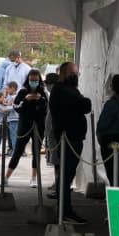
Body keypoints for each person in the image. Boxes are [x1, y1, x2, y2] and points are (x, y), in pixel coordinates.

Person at [49, 62, 91, 224]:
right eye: (74, 73)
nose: (77, 76)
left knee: (68, 174)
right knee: (66, 174)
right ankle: (64, 211)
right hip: (68, 138)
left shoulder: (69, 89)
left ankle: (65, 209)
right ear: (65, 74)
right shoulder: (62, 90)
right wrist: (84, 102)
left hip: (73, 137)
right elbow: (84, 105)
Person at [1, 69, 48, 188]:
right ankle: (6, 177)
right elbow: (16, 107)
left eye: (36, 80)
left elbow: (47, 108)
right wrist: (26, 100)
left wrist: (40, 100)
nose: (34, 82)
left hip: (38, 125)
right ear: (28, 79)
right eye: (32, 80)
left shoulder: (43, 92)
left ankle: (33, 178)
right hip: (24, 125)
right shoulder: (22, 91)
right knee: (18, 151)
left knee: (36, 152)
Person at [0, 92, 12, 156]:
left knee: (0, 138)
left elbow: (5, 106)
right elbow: (5, 109)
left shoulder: (0, 104)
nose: (4, 99)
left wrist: (8, 104)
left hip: (0, 124)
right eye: (3, 97)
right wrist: (13, 106)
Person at [5, 81, 20, 153]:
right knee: (14, 136)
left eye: (8, 89)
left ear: (13, 88)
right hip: (13, 118)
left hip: (14, 119)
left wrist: (5, 108)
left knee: (14, 136)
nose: (7, 91)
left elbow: (13, 107)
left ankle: (15, 151)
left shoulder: (14, 98)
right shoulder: (12, 97)